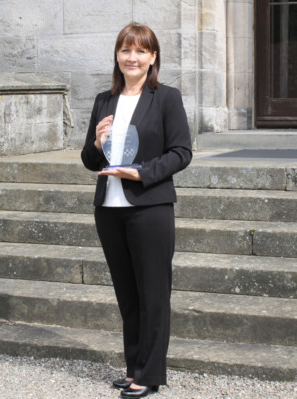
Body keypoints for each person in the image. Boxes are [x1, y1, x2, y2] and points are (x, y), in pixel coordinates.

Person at [80, 22, 192, 398]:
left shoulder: (166, 98)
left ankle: (151, 374)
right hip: (109, 209)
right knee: (128, 295)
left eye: (141, 51)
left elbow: (181, 153)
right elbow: (88, 159)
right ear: (117, 55)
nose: (133, 57)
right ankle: (134, 368)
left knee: (154, 294)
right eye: (127, 50)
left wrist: (141, 172)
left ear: (153, 57)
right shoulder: (103, 100)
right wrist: (97, 143)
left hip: (150, 207)